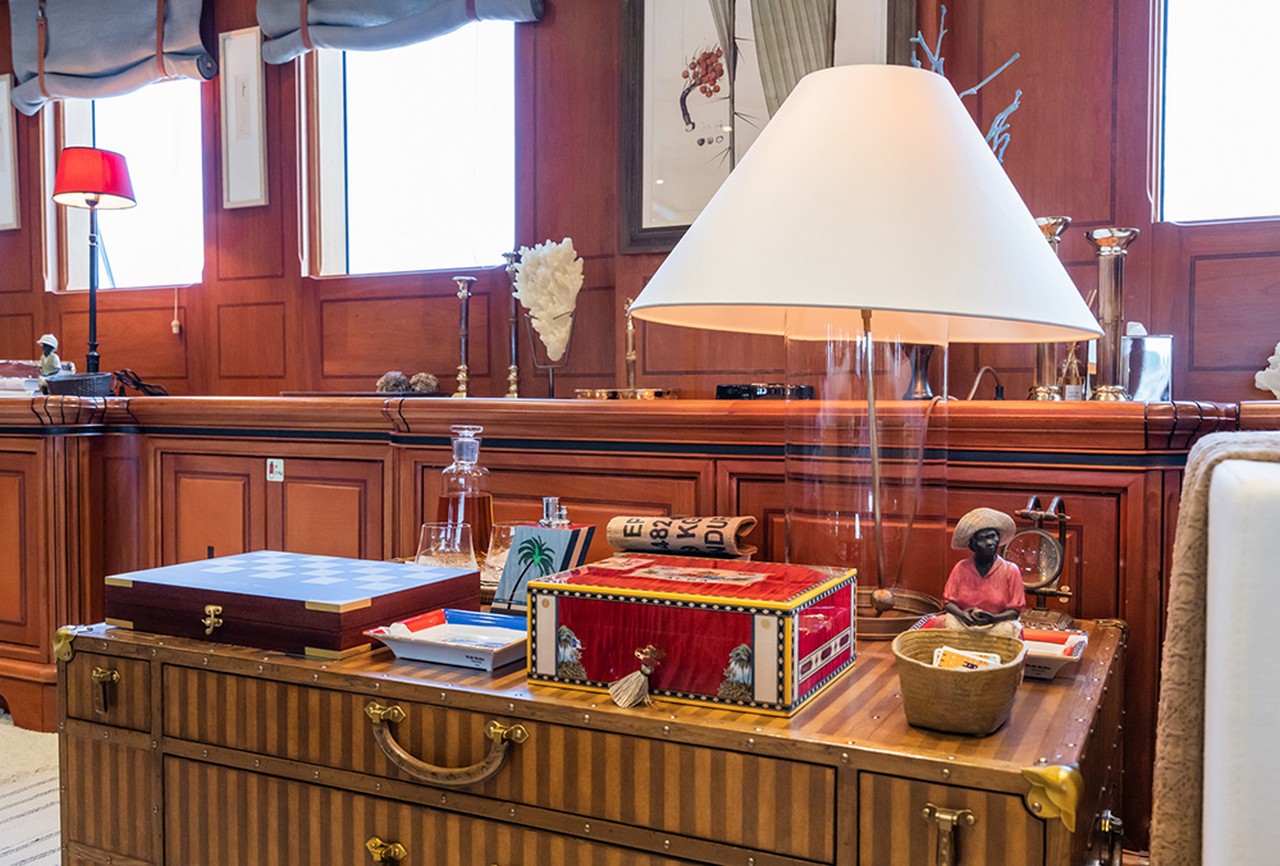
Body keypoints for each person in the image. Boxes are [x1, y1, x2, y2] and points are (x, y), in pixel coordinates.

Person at [943, 507, 1026, 638]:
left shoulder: (1010, 570)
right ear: (972, 545)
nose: (989, 543)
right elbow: (948, 603)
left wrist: (993, 618)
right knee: (948, 622)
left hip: (997, 624)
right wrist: (962, 615)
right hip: (965, 623)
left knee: (1008, 629)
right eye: (982, 539)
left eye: (992, 537)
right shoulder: (961, 568)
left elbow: (1015, 611)